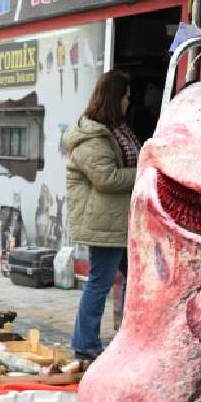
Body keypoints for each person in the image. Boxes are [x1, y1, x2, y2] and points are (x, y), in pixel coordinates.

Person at [65, 71, 139, 359]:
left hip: (120, 221)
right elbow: (106, 178)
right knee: (99, 282)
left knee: (136, 280)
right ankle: (85, 345)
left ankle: (128, 339)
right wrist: (144, 170)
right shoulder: (92, 137)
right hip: (104, 223)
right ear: (113, 98)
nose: (128, 103)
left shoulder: (116, 131)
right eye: (125, 97)